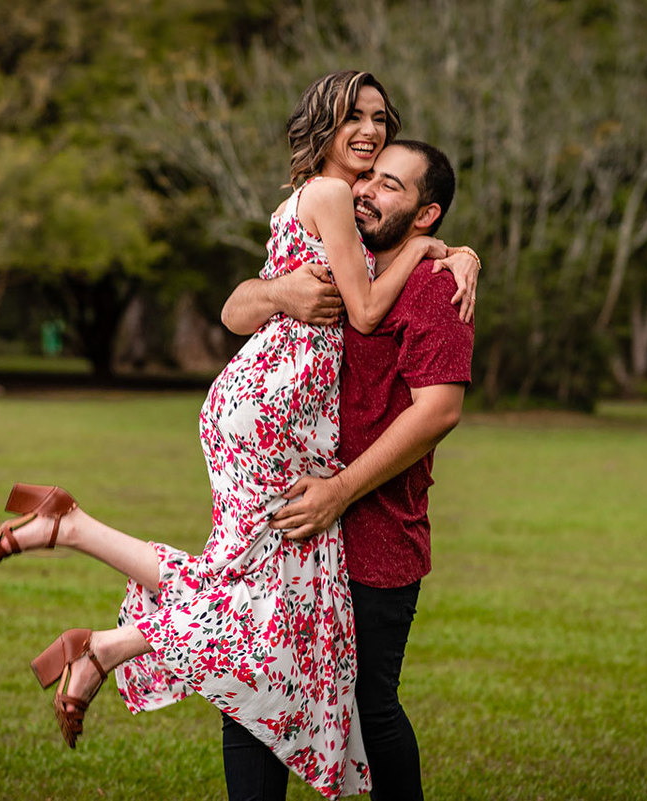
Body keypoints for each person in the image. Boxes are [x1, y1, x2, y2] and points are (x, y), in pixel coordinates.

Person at [0, 72, 479, 801]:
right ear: (328, 131)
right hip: (274, 417)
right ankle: (76, 542)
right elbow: (253, 305)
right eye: (355, 126)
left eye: (380, 132)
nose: (368, 154)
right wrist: (426, 250)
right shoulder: (339, 207)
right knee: (245, 607)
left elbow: (429, 399)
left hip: (306, 453)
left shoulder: (375, 243)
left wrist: (451, 252)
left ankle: (91, 589)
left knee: (250, 609)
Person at [216, 139, 475, 801]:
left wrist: (339, 490)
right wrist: (279, 292)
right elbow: (235, 309)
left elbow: (439, 410)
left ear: (426, 215)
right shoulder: (337, 260)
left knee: (368, 703)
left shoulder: (434, 286)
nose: (366, 190)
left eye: (391, 186)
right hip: (297, 526)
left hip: (373, 537)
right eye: (369, 176)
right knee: (255, 687)